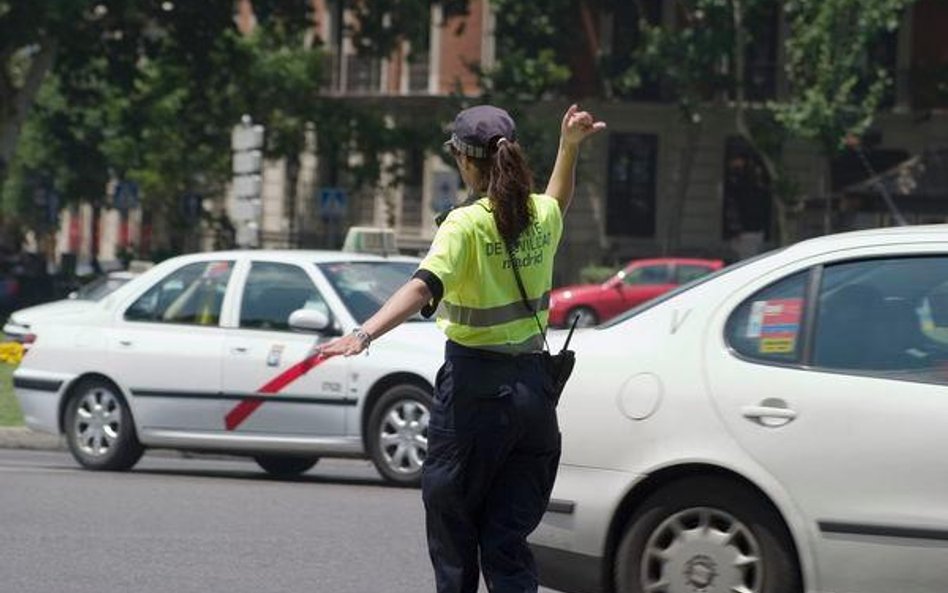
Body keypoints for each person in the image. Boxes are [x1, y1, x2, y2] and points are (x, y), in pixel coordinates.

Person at [320, 103, 605, 593]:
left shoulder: (465, 225)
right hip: (535, 400)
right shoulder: (539, 216)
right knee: (507, 541)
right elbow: (559, 198)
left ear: (465, 161)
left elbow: (422, 286)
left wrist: (363, 333)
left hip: (476, 395)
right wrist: (569, 147)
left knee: (453, 530)